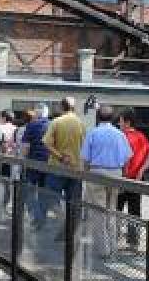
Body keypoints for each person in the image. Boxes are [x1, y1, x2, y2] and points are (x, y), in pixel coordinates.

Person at [79, 105, 132, 257]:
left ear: (98, 117)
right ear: (112, 118)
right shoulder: (119, 134)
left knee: (98, 211)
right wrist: (124, 175)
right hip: (115, 172)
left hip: (96, 172)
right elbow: (127, 157)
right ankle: (114, 247)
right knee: (112, 210)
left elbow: (85, 158)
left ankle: (103, 249)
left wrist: (86, 174)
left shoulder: (93, 133)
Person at [43, 97, 87, 241]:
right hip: (76, 169)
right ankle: (69, 233)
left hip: (57, 167)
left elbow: (46, 143)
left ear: (62, 107)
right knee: (73, 202)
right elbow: (85, 146)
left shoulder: (56, 122)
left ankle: (64, 221)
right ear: (73, 108)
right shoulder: (81, 123)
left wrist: (60, 156)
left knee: (51, 198)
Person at [118, 109, 149, 251]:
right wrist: (141, 171)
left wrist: (124, 175)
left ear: (127, 122)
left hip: (122, 179)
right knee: (134, 212)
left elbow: (124, 158)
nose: (119, 123)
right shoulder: (141, 136)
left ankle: (113, 241)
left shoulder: (122, 137)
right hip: (137, 181)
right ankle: (133, 243)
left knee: (116, 210)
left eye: (120, 121)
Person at [21, 105, 53, 227]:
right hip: (49, 164)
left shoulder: (31, 125)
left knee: (28, 191)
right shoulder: (53, 124)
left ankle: (37, 215)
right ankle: (42, 217)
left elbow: (25, 147)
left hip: (33, 163)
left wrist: (23, 162)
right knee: (44, 191)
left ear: (37, 114)